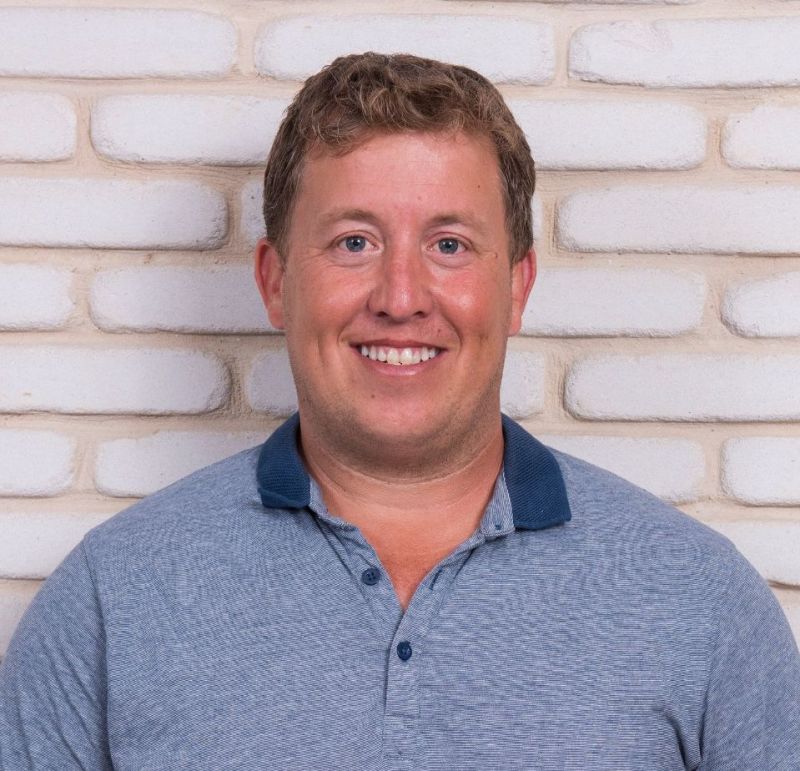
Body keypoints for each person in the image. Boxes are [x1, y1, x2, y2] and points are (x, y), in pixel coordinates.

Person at [1, 52, 798, 771]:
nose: (401, 297)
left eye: (449, 244)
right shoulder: (116, 597)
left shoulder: (699, 599)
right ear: (275, 281)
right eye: (355, 242)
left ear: (516, 287)